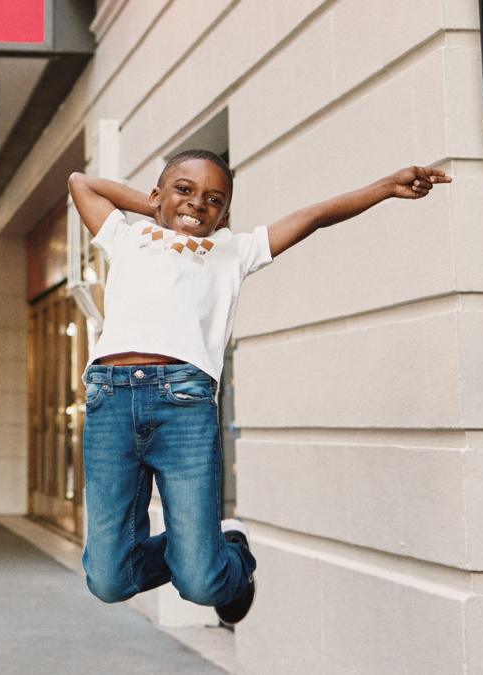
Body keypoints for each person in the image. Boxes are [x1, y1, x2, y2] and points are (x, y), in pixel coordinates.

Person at [67, 151, 450, 625]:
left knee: (202, 583)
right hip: (110, 401)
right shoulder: (126, 238)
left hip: (183, 407)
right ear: (156, 194)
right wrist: (159, 209)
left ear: (225, 215)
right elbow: (81, 181)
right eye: (184, 190)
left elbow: (313, 217)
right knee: (107, 581)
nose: (197, 204)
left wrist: (386, 185)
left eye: (213, 199)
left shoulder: (233, 250)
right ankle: (203, 540)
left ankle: (229, 554)